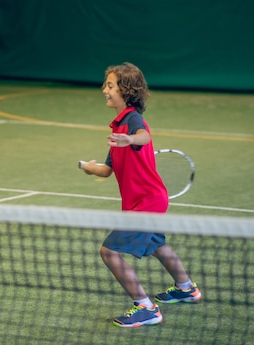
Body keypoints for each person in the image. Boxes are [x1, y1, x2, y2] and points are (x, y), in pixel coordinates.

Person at [78, 62, 201, 328]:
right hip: (143, 201)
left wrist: (130, 140)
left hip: (147, 202)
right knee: (156, 245)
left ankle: (146, 308)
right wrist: (89, 168)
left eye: (110, 86)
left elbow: (143, 136)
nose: (104, 90)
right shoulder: (117, 127)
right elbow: (107, 170)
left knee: (109, 252)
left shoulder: (133, 119)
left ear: (126, 90)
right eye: (106, 85)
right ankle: (186, 288)